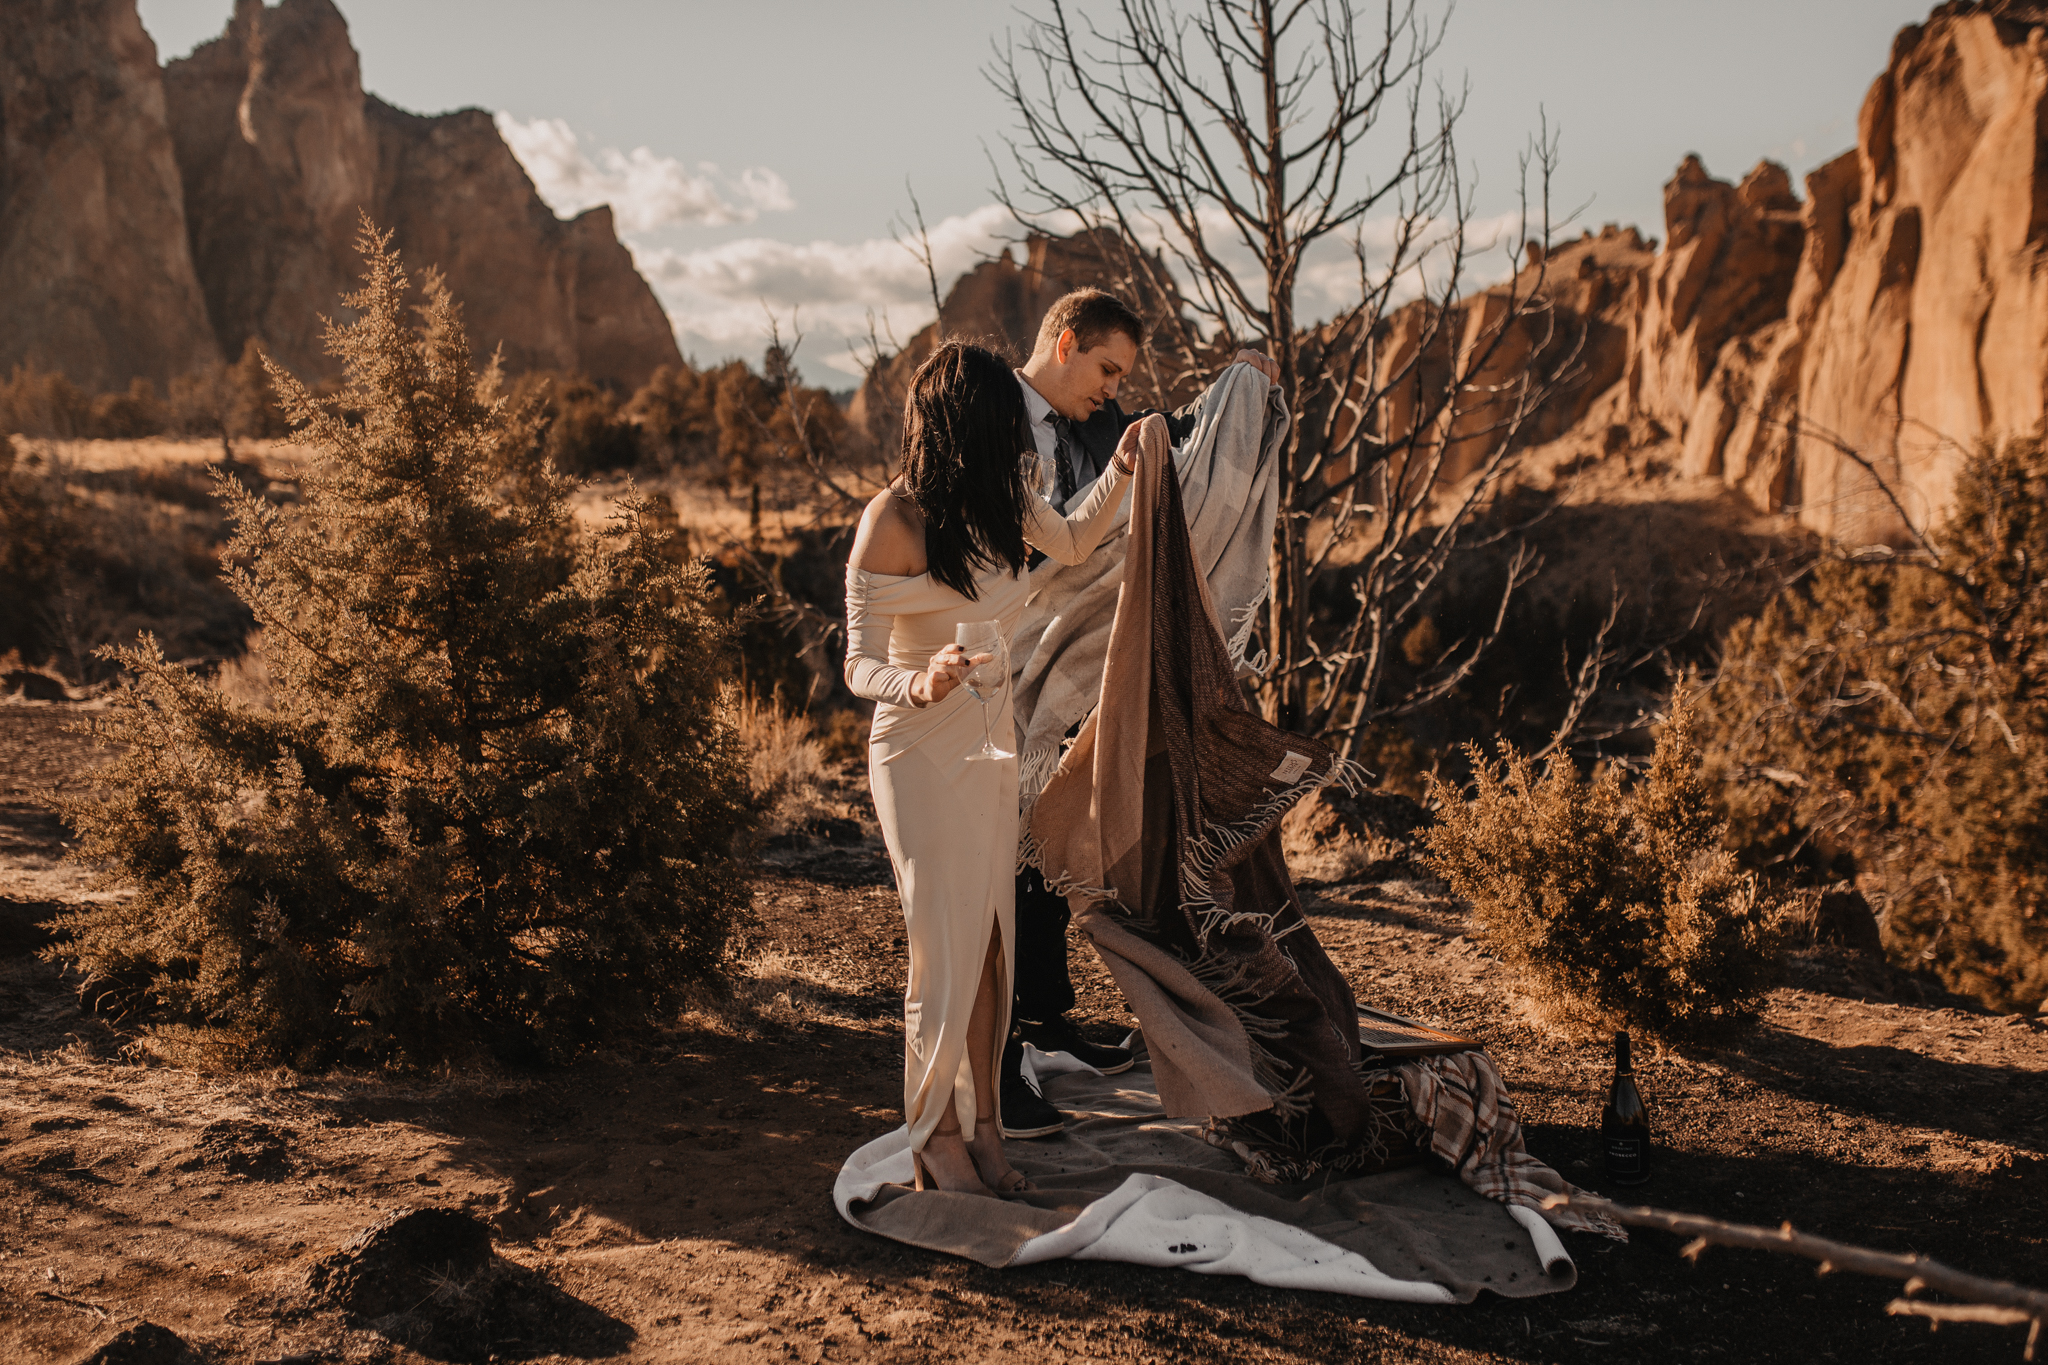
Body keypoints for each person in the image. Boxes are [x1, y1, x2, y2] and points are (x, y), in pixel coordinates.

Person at [843, 340, 1156, 1196]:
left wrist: (1123, 468)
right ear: (961, 428)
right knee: (941, 952)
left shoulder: (1002, 504)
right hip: (916, 749)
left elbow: (1082, 536)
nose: (1020, 438)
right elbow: (859, 665)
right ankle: (934, 1137)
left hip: (991, 747)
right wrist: (920, 679)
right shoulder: (893, 520)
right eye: (1003, 424)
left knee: (991, 949)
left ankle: (984, 1128)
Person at [1003, 288, 1282, 1138]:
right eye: (1105, 368)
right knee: (996, 858)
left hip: (1068, 663)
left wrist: (1241, 385)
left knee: (1051, 834)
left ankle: (1047, 1020)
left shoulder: (1098, 427)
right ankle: (999, 1047)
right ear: (1063, 340)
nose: (1112, 388)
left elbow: (1169, 440)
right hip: (992, 650)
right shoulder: (989, 417)